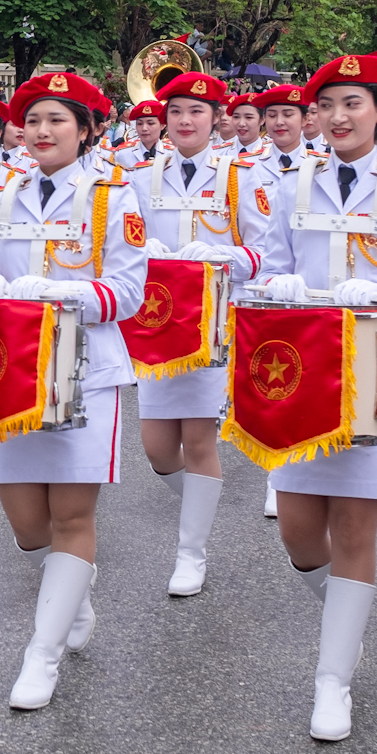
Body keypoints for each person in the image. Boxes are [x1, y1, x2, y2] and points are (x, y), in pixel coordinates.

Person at [244, 50, 377, 740]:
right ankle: (345, 618)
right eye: (326, 105)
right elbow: (268, 267)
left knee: (356, 529)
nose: (337, 117)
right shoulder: (293, 184)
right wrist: (280, 287)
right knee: (301, 533)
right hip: (299, 375)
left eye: (352, 103)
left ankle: (333, 679)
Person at [0, 73, 143, 710]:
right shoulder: (3, 191)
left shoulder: (113, 193)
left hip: (87, 370)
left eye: (57, 120)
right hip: (12, 371)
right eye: (32, 120)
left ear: (85, 130)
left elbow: (129, 292)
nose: (42, 131)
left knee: (71, 517)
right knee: (28, 525)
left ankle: (42, 654)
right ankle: (70, 598)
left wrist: (66, 293)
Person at [130, 72, 273, 597]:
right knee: (156, 448)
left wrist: (226, 256)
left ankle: (192, 551)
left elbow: (266, 253)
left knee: (197, 437)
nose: (185, 122)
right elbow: (124, 245)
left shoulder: (243, 175)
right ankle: (198, 501)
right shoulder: (141, 178)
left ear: (219, 119)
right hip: (158, 324)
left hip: (214, 324)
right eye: (175, 113)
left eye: (197, 112)